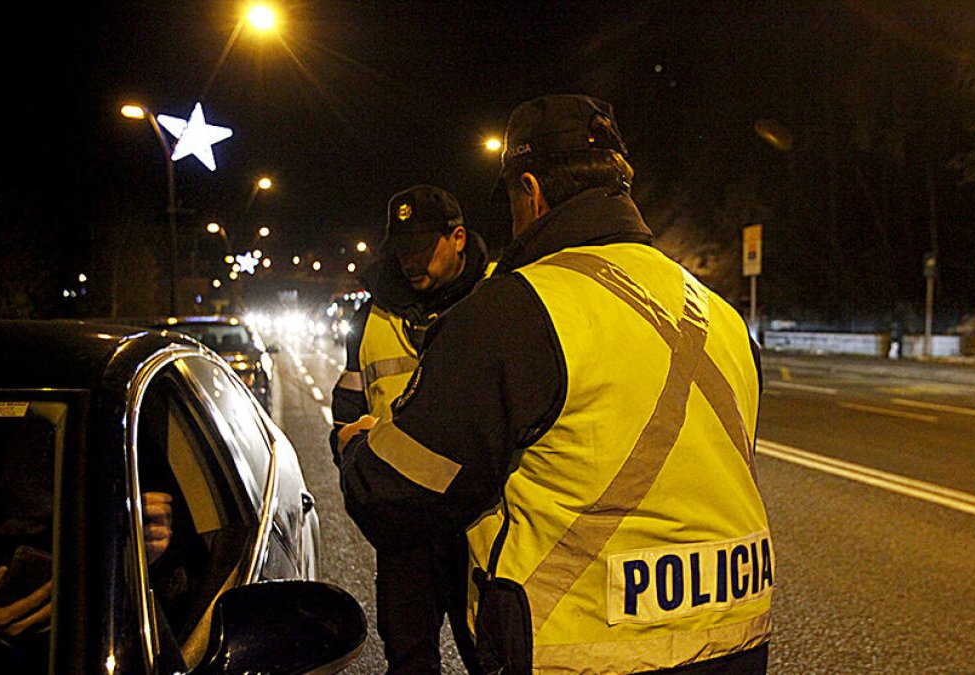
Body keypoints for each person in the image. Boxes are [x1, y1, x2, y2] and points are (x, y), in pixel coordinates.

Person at [338, 94, 772, 674]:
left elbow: (396, 496)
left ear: (531, 192)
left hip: (581, 654)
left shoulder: (515, 311)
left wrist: (355, 452)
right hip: (737, 644)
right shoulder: (720, 315)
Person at [330, 184, 489, 674]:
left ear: (458, 238)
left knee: (492, 658)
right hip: (404, 528)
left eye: (422, 248)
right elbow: (348, 402)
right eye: (401, 250)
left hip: (481, 528)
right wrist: (350, 449)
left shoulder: (499, 299)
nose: (409, 262)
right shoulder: (372, 314)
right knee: (408, 661)